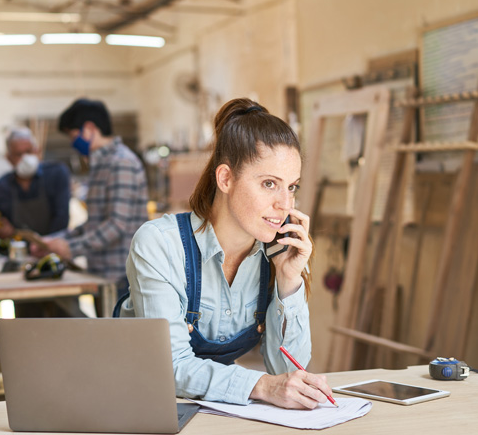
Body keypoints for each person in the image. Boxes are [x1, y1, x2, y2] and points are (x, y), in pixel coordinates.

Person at [117, 98, 333, 409]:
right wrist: (260, 385)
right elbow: (171, 367)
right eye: (269, 184)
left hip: (210, 410)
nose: (285, 204)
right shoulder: (160, 245)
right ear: (226, 179)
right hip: (137, 406)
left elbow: (287, 373)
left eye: (292, 187)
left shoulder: (279, 252)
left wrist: (289, 280)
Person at [35, 99, 148, 298]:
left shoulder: (121, 163)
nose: (72, 143)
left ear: (89, 128)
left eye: (73, 135)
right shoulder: (100, 165)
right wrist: (55, 240)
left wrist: (70, 248)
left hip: (122, 276)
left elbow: (116, 225)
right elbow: (94, 224)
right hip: (102, 274)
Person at [0, 127, 71, 239]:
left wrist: (45, 245)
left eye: (28, 151)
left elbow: (61, 218)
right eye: (19, 154)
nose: (25, 159)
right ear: (9, 158)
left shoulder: (56, 174)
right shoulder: (2, 186)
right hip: (18, 250)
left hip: (52, 247)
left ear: (37, 151)